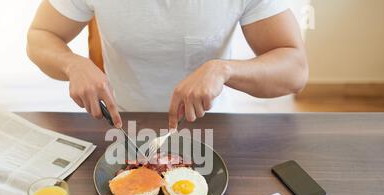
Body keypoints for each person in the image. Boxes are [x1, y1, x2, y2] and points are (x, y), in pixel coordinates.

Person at [27, 0, 308, 129]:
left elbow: (295, 69)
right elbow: (40, 36)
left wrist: (224, 70)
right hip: (122, 126)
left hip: (210, 125)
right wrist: (72, 64)